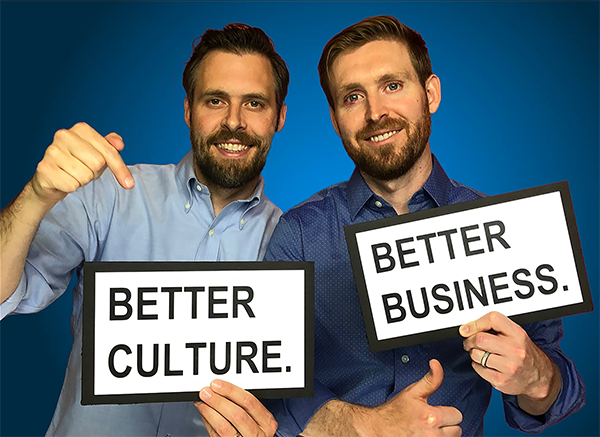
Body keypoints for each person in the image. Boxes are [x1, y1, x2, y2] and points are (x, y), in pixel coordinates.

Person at [258, 15, 585, 437]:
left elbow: (555, 387)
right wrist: (368, 426)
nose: (376, 113)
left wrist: (536, 377)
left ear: (430, 93)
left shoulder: (504, 228)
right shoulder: (298, 234)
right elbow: (270, 381)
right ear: (336, 118)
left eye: (392, 86)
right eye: (353, 97)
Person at [0, 23, 286, 437]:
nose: (233, 122)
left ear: (278, 117)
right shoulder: (110, 194)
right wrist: (35, 197)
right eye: (215, 100)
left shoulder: (294, 243)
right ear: (189, 110)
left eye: (255, 104)